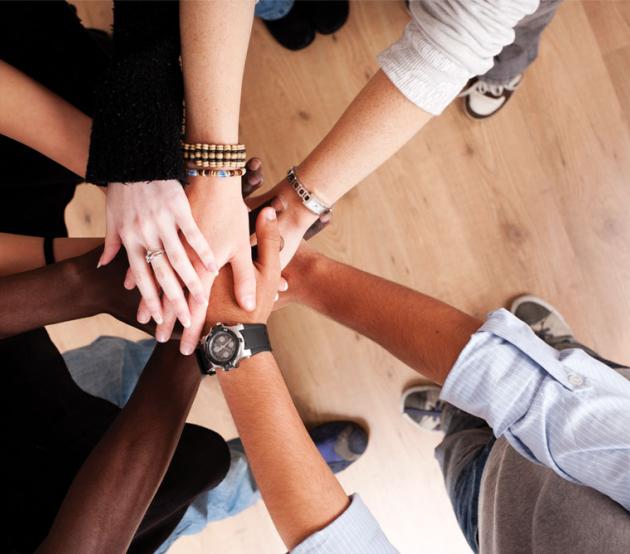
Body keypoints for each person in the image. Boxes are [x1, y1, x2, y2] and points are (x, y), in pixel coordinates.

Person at [272, 241, 630, 552]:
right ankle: (557, 350)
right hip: (588, 425)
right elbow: (539, 394)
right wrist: (308, 275)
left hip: (491, 517)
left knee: (463, 427)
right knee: (568, 383)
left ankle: (457, 408)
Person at [402, 294, 630, 553]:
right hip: (595, 410)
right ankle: (553, 347)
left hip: (492, 519)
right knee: (580, 379)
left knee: (460, 433)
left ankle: (450, 409)